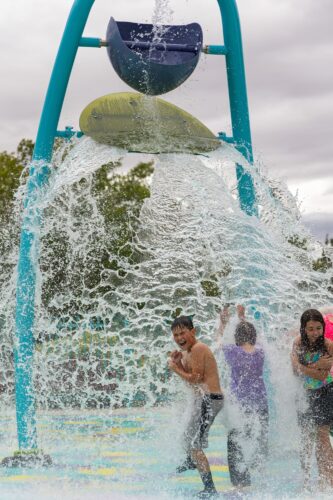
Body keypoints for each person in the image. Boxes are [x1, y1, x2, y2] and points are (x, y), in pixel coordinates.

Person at [168, 315, 224, 498]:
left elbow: (196, 378)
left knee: (194, 444)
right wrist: (178, 363)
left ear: (193, 331)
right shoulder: (186, 352)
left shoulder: (199, 349)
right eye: (175, 335)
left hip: (211, 400)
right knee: (186, 434)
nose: (179, 338)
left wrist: (176, 369)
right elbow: (191, 383)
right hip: (203, 401)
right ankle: (191, 461)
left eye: (182, 333)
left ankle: (210, 488)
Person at [216, 304, 269, 489]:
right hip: (260, 403)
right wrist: (242, 317)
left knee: (236, 440)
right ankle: (258, 477)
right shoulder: (260, 352)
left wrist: (223, 321)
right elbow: (256, 338)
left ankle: (240, 482)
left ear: (237, 337)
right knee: (257, 439)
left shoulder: (233, 352)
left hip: (240, 405)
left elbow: (220, 339)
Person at [291, 308, 333, 490]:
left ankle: (327, 478)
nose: (315, 332)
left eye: (318, 328)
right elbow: (293, 372)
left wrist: (301, 365)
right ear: (304, 329)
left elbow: (321, 377)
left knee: (322, 436)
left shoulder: (329, 345)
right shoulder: (298, 343)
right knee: (306, 437)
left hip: (325, 391)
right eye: (310, 329)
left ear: (323, 327)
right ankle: (306, 479)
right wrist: (315, 366)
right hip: (303, 394)